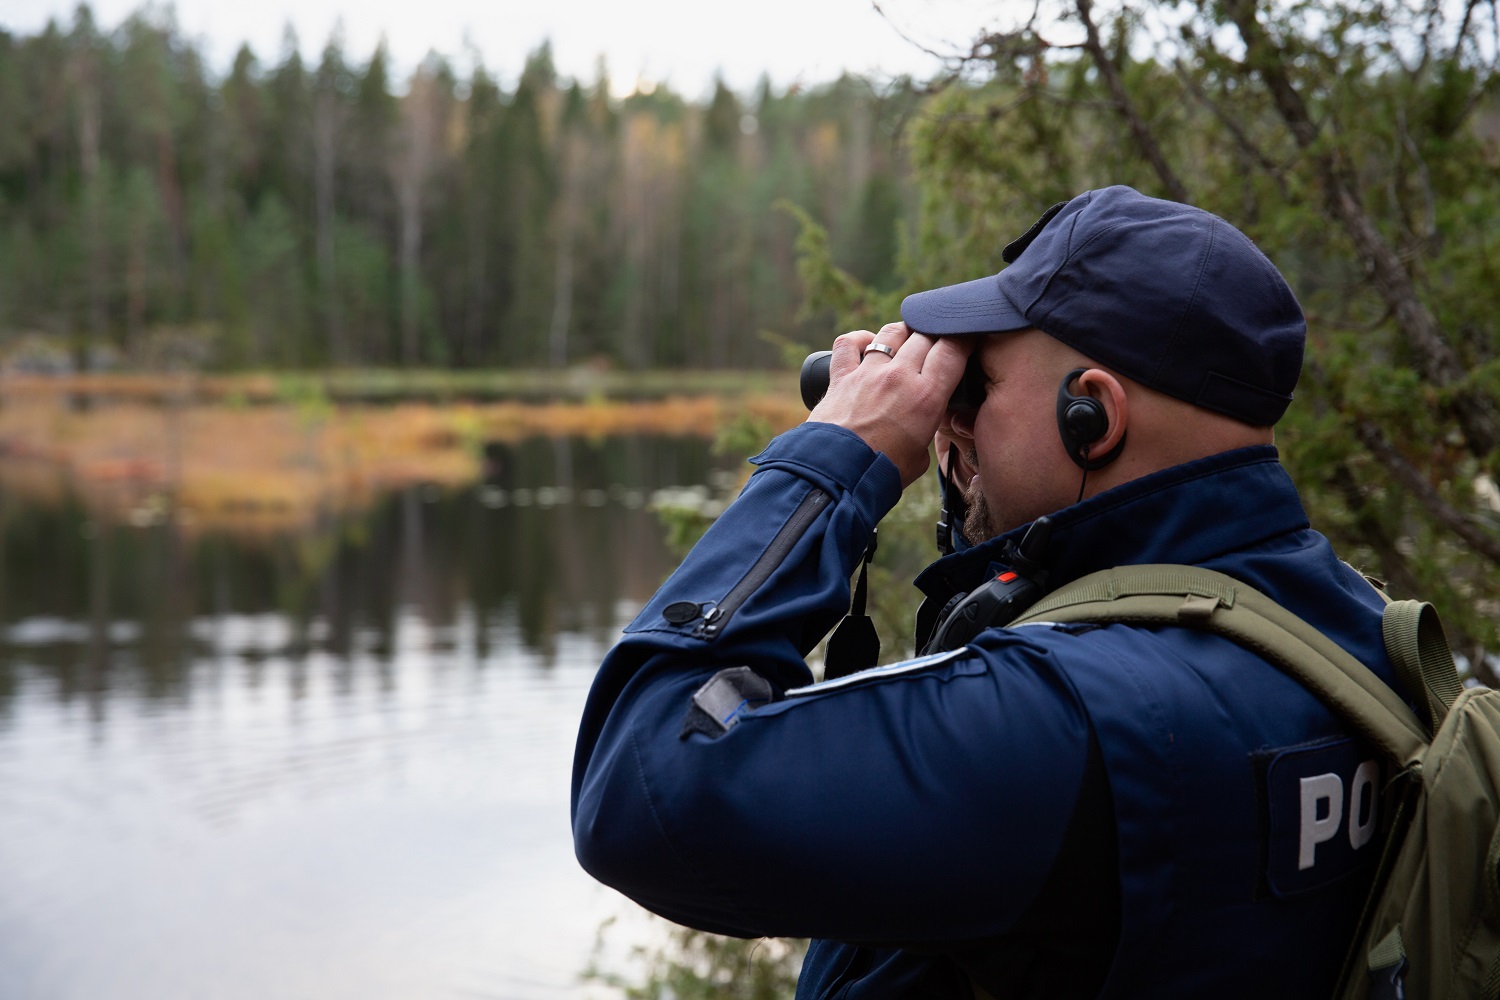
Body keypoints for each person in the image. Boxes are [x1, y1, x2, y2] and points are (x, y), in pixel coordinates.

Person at [571, 186, 1405, 998]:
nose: (948, 421)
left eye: (978, 390)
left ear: (1094, 416)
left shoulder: (1065, 717)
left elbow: (640, 787)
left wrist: (832, 455)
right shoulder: (1357, 634)